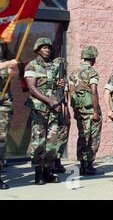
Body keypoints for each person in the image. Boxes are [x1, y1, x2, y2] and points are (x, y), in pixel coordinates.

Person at [24, 37, 65, 185]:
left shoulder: (53, 66)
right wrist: (49, 101)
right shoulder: (31, 66)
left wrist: (59, 84)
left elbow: (56, 86)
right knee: (38, 142)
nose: (47, 50)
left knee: (52, 142)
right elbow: (32, 88)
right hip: (39, 109)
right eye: (44, 47)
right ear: (38, 49)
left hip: (53, 110)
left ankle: (48, 171)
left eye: (48, 47)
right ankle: (38, 172)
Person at [69, 46, 102, 176]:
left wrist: (75, 110)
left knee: (82, 136)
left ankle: (82, 165)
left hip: (79, 110)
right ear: (93, 59)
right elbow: (94, 91)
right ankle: (89, 165)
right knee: (93, 138)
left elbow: (71, 92)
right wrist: (95, 111)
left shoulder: (73, 73)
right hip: (90, 110)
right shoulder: (92, 72)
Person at [0, 42, 18, 190]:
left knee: (1, 140)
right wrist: (7, 64)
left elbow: (13, 77)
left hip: (3, 106)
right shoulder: (4, 64)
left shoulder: (4, 64)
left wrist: (13, 70)